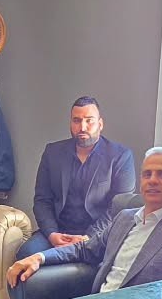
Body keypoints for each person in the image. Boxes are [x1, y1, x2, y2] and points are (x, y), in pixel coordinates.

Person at [7, 147, 162, 299]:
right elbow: (85, 249)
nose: (152, 180)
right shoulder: (125, 217)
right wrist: (39, 257)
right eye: (147, 174)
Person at [18, 97, 135, 259]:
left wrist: (88, 238)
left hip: (98, 236)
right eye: (77, 120)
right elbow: (42, 200)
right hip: (58, 232)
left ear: (100, 124)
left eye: (89, 121)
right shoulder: (52, 153)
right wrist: (52, 234)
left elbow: (118, 208)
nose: (82, 127)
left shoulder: (120, 156)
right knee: (27, 254)